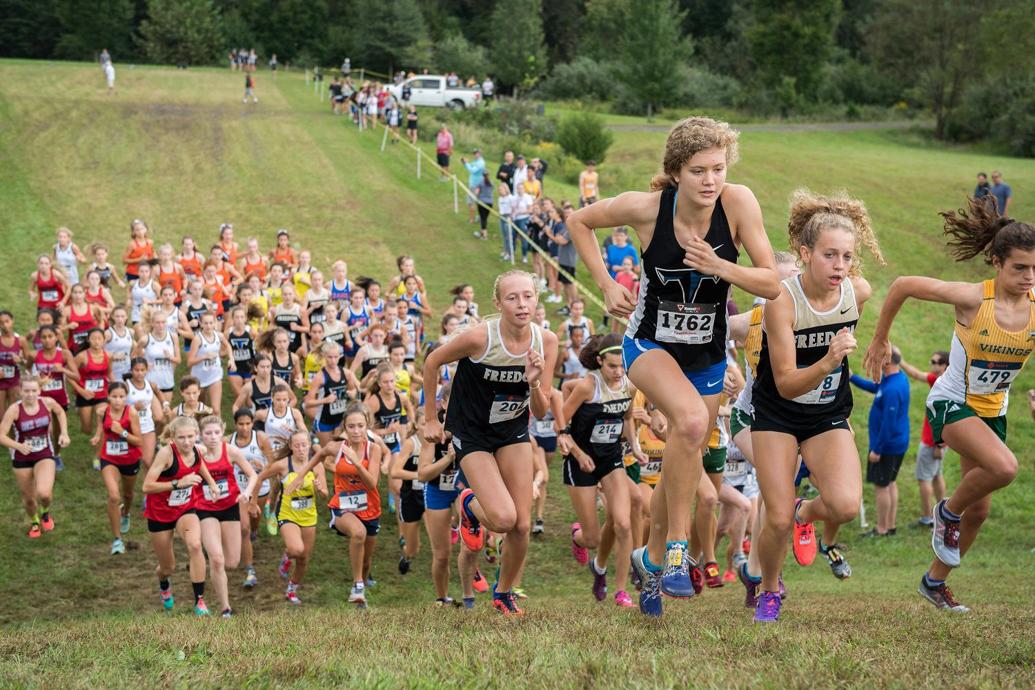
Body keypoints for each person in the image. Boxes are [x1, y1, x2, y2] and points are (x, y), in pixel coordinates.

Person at [566, 116, 780, 617]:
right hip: (650, 345)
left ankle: (649, 560)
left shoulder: (739, 203)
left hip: (706, 352)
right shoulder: (646, 210)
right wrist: (605, 282)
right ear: (676, 172)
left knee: (685, 452)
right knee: (688, 423)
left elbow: (771, 282)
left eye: (719, 169)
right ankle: (677, 551)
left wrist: (721, 267)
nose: (711, 181)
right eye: (699, 170)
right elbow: (580, 221)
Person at [863, 194, 1035, 613]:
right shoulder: (974, 298)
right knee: (1004, 467)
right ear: (996, 263)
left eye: (1034, 267)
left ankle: (933, 582)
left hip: (993, 412)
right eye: (1020, 268)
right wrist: (881, 338)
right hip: (952, 404)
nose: (1029, 276)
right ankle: (945, 512)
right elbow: (903, 285)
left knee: (979, 512)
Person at [749, 190, 883, 623]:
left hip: (825, 414)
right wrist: (829, 358)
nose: (840, 266)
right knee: (774, 518)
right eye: (830, 255)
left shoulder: (856, 292)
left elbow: (863, 297)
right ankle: (769, 589)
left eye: (847, 256)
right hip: (777, 414)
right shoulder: (781, 302)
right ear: (806, 254)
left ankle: (805, 511)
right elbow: (786, 384)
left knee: (844, 506)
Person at [422, 270, 558, 615]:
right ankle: (469, 504)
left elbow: (541, 409)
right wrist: (429, 417)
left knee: (523, 524)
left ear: (536, 300)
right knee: (502, 519)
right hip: (472, 431)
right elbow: (432, 361)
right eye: (512, 298)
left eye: (528, 296)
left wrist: (533, 382)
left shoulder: (547, 342)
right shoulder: (480, 338)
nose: (522, 304)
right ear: (498, 304)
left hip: (511, 429)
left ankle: (504, 593)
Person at [558, 333, 644, 608]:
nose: (618, 372)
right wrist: (578, 453)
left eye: (622, 366)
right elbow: (561, 425)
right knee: (593, 538)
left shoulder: (628, 385)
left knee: (623, 522)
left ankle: (621, 590)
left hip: (610, 460)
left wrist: (635, 445)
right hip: (581, 462)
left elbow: (628, 416)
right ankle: (578, 537)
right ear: (599, 362)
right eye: (612, 366)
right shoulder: (587, 386)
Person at [142, 416, 217, 615]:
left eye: (191, 437)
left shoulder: (196, 450)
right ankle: (164, 583)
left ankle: (199, 601)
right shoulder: (166, 454)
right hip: (159, 514)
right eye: (182, 437)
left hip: (185, 508)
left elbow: (200, 465)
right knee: (168, 567)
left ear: (196, 435)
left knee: (194, 545)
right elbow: (146, 486)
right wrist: (177, 483)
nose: (187, 441)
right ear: (173, 438)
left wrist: (211, 483)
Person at [311, 404, 383, 605]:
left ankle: (364, 578)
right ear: (345, 427)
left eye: (360, 426)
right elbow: (321, 456)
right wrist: (313, 476)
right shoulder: (337, 447)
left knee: (367, 559)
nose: (356, 431)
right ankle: (357, 585)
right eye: (351, 426)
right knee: (358, 533)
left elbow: (372, 483)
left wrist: (357, 463)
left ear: (367, 425)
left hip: (370, 507)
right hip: (343, 505)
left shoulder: (374, 449)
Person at [254, 430, 328, 604]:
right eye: (297, 445)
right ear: (290, 446)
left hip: (309, 517)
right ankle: (287, 556)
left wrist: (319, 489)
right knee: (296, 550)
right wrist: (252, 503)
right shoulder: (283, 465)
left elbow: (325, 494)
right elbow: (260, 478)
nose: (301, 449)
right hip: (287, 514)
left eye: (304, 445)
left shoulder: (317, 466)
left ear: (309, 445)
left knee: (303, 559)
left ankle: (292, 588)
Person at [196, 415, 258, 618]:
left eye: (216, 433)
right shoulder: (196, 453)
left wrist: (247, 492)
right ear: (200, 434)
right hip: (205, 508)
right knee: (217, 559)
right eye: (208, 433)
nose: (212, 437)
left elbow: (253, 475)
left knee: (232, 562)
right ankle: (225, 608)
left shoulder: (230, 451)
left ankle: (215, 549)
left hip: (229, 506)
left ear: (222, 433)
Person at [851, 346, 911, 537]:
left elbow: (889, 423)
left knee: (882, 486)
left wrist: (877, 449)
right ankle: (890, 526)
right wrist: (851, 377)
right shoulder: (894, 378)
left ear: (887, 361)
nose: (875, 359)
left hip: (887, 445)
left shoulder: (893, 388)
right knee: (891, 483)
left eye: (879, 356)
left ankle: (882, 528)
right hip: (896, 443)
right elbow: (876, 388)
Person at [1, 376, 69, 538]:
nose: (30, 394)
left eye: (33, 390)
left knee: (44, 494)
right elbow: (1, 435)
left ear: (39, 391)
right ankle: (35, 521)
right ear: (20, 391)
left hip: (44, 453)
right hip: (22, 457)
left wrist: (64, 433)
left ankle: (45, 512)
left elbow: (60, 412)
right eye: (26, 391)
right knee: (29, 499)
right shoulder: (14, 410)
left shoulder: (47, 402)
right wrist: (18, 446)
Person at [898, 350, 949, 527]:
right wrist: (902, 361)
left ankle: (928, 517)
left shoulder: (940, 384)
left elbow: (945, 416)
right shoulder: (944, 381)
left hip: (933, 441)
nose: (933, 366)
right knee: (936, 475)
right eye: (932, 362)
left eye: (938, 363)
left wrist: (939, 445)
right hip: (939, 441)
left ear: (946, 365)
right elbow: (917, 374)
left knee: (924, 479)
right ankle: (943, 514)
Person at [462, 149, 487, 225]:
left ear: (480, 154)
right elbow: (470, 165)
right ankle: (479, 217)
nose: (475, 155)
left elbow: (472, 170)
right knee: (475, 202)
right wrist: (465, 162)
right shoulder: (476, 162)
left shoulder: (481, 163)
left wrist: (466, 163)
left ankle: (472, 219)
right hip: (474, 184)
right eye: (474, 153)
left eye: (476, 153)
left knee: (471, 202)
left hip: (476, 185)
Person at [473, 172, 494, 241]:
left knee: (483, 218)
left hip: (482, 203)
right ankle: (481, 233)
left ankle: (485, 235)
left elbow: (476, 192)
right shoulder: (491, 182)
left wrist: (476, 196)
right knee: (485, 218)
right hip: (490, 203)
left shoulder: (481, 183)